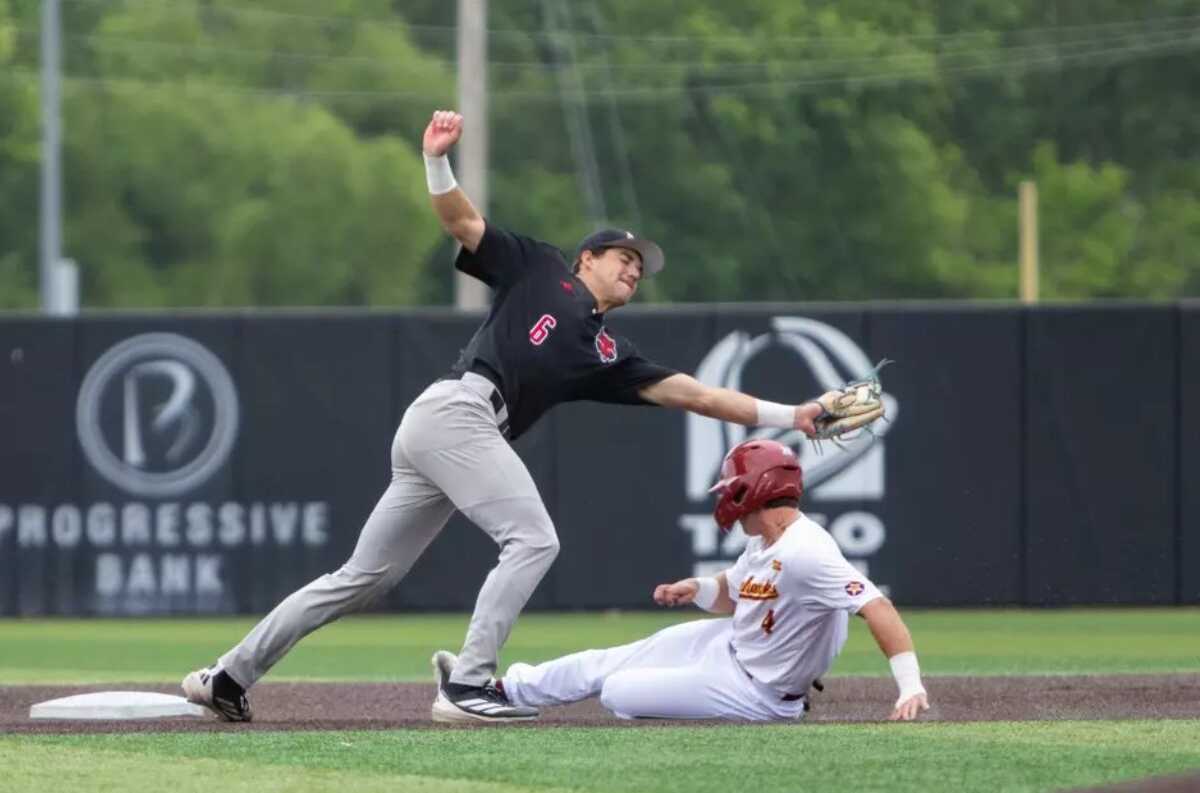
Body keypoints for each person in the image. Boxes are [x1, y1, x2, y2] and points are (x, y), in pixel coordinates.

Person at [183, 110, 830, 725]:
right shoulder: (543, 268)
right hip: (456, 412)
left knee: (361, 579)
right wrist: (437, 161)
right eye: (622, 255)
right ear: (587, 259)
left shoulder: (607, 354)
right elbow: (463, 224)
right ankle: (468, 684)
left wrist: (794, 414)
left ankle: (229, 678)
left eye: (641, 265)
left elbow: (698, 396)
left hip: (452, 431)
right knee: (534, 539)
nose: (634, 267)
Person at [436, 439, 929, 723]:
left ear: (758, 490)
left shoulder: (808, 551)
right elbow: (735, 593)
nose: (727, 498)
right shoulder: (766, 540)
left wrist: (909, 687)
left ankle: (510, 692)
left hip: (761, 694)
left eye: (735, 487)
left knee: (619, 691)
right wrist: (698, 589)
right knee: (609, 660)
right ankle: (501, 690)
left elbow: (877, 608)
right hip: (730, 648)